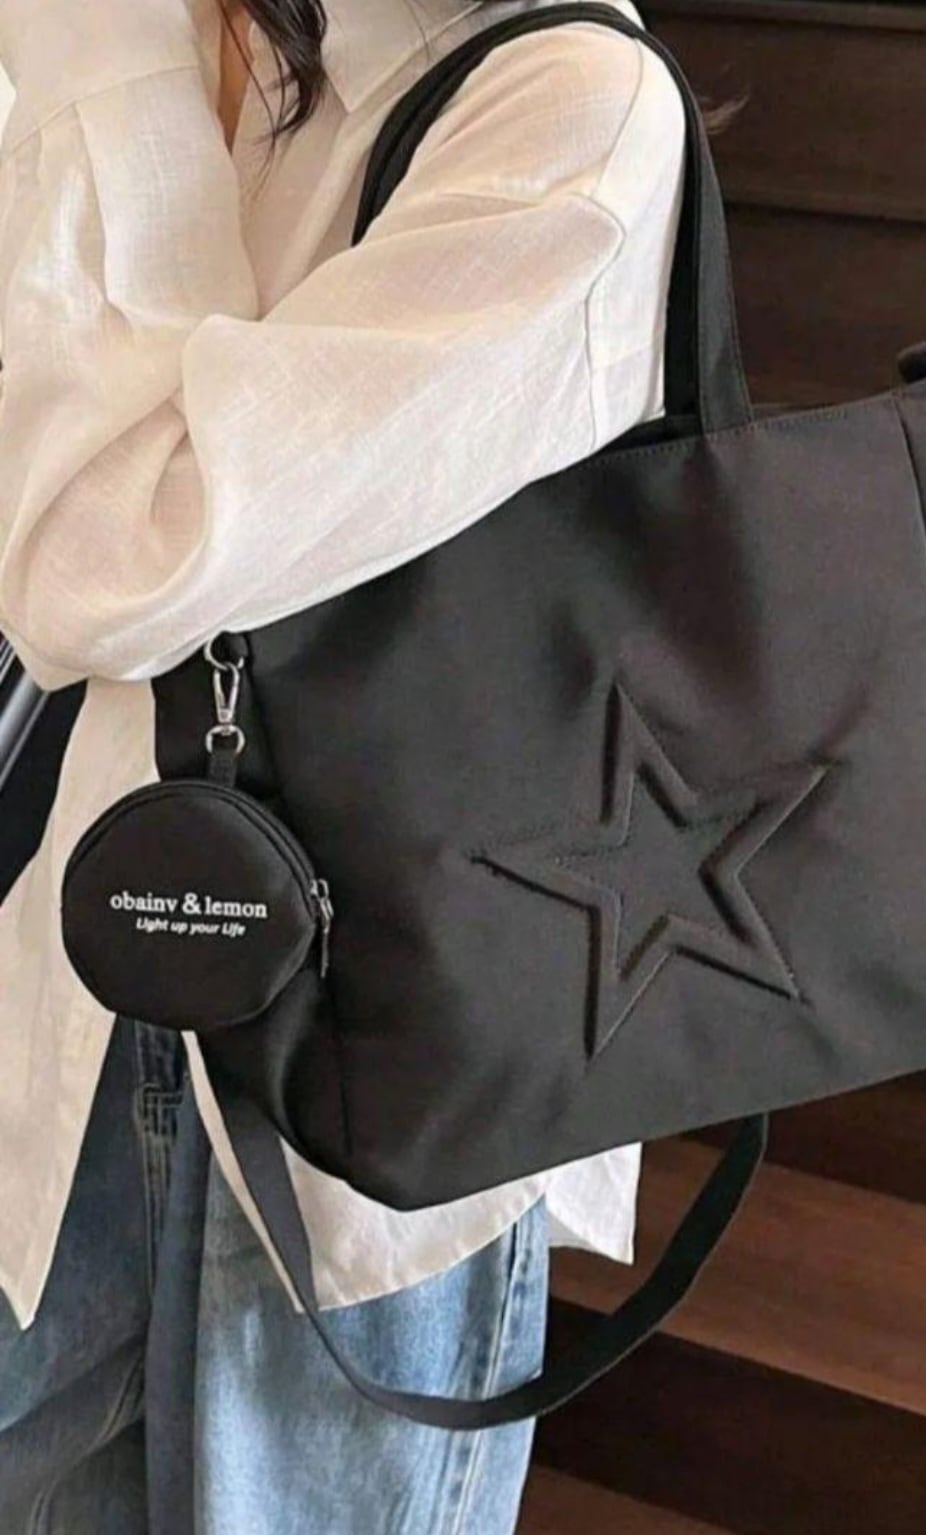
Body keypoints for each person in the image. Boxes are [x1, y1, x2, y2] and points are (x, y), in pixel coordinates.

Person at [0, 1, 699, 1528]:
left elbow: (97, 564)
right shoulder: (231, 62)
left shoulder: (570, 113)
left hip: (374, 1076)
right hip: (77, 996)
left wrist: (93, 43)